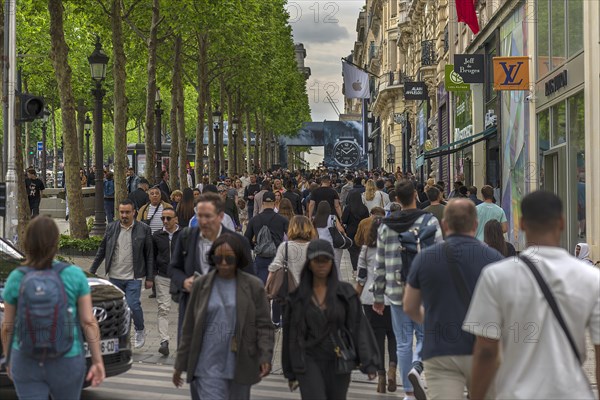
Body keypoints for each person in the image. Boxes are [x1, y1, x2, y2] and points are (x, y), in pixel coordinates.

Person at [465, 191, 600, 399]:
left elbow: (486, 351)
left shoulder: (496, 276)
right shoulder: (591, 278)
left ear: (522, 223)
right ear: (562, 223)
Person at [403, 199, 504, 400]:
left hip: (441, 351)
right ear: (475, 225)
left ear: (444, 225)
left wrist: (431, 319)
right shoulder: (494, 259)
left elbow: (410, 306)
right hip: (483, 350)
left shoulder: (425, 258)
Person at [0, 216, 105, 398]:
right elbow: (88, 322)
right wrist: (97, 361)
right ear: (56, 242)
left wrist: (10, 360)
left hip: (25, 359)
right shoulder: (74, 275)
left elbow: (7, 327)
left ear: (27, 243)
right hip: (67, 358)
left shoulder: (17, 278)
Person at [173, 234, 274, 400]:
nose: (224, 263)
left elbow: (264, 325)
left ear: (239, 258)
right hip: (206, 366)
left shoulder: (254, 286)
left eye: (230, 258)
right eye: (219, 258)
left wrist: (265, 356)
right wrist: (179, 365)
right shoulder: (201, 285)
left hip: (240, 364)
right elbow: (189, 326)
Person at [282, 239, 380, 399]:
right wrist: (289, 371)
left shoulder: (345, 293)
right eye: (316, 260)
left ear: (332, 262)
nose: (321, 265)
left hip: (338, 358)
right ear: (309, 263)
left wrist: (369, 361)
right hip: (308, 358)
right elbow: (290, 334)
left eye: (326, 260)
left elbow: (358, 326)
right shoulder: (297, 298)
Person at [372, 180, 443, 400]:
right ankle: (417, 369)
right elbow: (439, 256)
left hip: (395, 290)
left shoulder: (385, 224)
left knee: (402, 341)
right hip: (423, 290)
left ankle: (409, 394)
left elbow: (380, 262)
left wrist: (377, 295)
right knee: (424, 336)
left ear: (395, 199)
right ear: (415, 194)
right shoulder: (429, 221)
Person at [168, 193, 252, 341]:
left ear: (220, 216)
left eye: (208, 216)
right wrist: (184, 282)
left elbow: (250, 279)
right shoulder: (186, 237)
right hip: (193, 312)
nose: (203, 221)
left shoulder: (238, 243)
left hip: (226, 317)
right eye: (199, 216)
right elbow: (174, 268)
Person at [90, 199, 154, 349]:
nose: (124, 215)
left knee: (133, 305)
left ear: (134, 212)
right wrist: (91, 270)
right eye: (121, 212)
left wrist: (150, 277)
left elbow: (149, 254)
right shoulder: (111, 228)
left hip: (134, 276)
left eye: (127, 212)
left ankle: (140, 329)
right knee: (116, 310)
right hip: (114, 276)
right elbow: (102, 250)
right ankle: (121, 339)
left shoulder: (143, 229)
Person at [356, 217, 398, 394]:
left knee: (377, 339)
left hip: (370, 298)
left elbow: (361, 277)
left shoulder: (365, 250)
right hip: (393, 299)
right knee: (394, 337)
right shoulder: (396, 249)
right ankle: (392, 370)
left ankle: (381, 376)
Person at [152, 207, 181, 357]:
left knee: (184, 310)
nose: (165, 221)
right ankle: (164, 341)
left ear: (176, 219)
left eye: (168, 218)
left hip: (181, 278)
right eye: (163, 218)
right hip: (162, 277)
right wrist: (152, 276)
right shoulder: (157, 236)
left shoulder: (184, 235)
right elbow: (151, 256)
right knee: (163, 308)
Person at [267, 215, 317, 289]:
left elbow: (274, 268)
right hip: (309, 290)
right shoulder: (315, 247)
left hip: (289, 290)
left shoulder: (285, 246)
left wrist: (267, 287)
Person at [313, 200, 345, 274]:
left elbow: (315, 235)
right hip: (334, 245)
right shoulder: (332, 217)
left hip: (322, 245)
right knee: (336, 267)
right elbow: (341, 229)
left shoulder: (316, 219)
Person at [342, 190, 370, 273]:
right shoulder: (364, 208)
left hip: (351, 231)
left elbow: (344, 220)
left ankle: (355, 269)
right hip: (362, 231)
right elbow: (366, 219)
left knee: (353, 251)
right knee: (361, 250)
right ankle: (362, 267)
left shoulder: (348, 208)